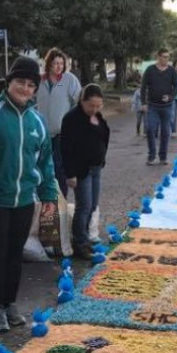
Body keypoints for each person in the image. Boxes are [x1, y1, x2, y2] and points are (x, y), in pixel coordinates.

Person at [0, 57, 58, 331]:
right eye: (20, 82)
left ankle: (10, 304)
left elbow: (45, 162)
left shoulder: (37, 121)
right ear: (9, 82)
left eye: (30, 85)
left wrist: (48, 196)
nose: (25, 89)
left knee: (15, 254)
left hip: (25, 200)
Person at [60, 83, 110, 259]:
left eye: (98, 105)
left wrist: (101, 159)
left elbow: (103, 138)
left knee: (92, 205)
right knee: (84, 206)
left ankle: (86, 238)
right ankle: (79, 243)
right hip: (81, 170)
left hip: (96, 168)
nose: (94, 109)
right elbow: (66, 148)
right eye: (91, 105)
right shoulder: (72, 118)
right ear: (82, 100)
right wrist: (70, 173)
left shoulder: (98, 117)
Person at [35, 47, 81, 196]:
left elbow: (79, 101)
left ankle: (61, 198)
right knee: (44, 166)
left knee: (60, 167)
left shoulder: (69, 79)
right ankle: (45, 197)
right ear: (49, 64)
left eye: (61, 63)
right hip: (43, 133)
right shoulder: (40, 81)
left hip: (62, 132)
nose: (59, 66)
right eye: (56, 63)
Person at [140, 48, 177, 165]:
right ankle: (151, 155)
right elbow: (143, 87)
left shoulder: (172, 71)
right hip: (152, 106)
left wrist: (170, 97)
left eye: (168, 57)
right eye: (164, 57)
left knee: (165, 132)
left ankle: (163, 157)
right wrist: (143, 103)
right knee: (150, 129)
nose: (166, 59)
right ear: (159, 57)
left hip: (167, 107)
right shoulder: (150, 70)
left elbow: (176, 87)